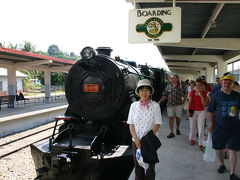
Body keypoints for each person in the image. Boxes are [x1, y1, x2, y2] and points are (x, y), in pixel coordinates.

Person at [127, 79, 162, 180]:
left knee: (150, 168)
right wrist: (136, 138)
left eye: (147, 90)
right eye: (141, 90)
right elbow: (131, 124)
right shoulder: (133, 106)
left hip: (150, 141)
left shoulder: (155, 106)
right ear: (138, 92)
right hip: (136, 141)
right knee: (138, 167)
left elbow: (157, 124)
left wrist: (146, 139)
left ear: (150, 92)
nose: (144, 92)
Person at [208, 74, 240, 180]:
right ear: (222, 83)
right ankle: (222, 164)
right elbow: (211, 111)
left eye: (229, 83)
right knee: (219, 149)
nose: (226, 85)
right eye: (224, 83)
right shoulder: (216, 95)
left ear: (233, 85)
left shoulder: (237, 96)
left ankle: (232, 173)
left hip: (234, 127)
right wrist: (211, 124)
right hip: (219, 127)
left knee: (233, 149)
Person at [187, 79, 209, 151]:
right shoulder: (192, 92)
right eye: (197, 85)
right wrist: (188, 111)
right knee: (192, 125)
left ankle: (201, 143)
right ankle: (192, 139)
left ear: (202, 85)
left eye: (200, 85)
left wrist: (201, 95)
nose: (198, 86)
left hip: (201, 111)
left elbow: (205, 104)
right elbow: (189, 102)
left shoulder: (205, 93)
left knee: (201, 127)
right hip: (193, 111)